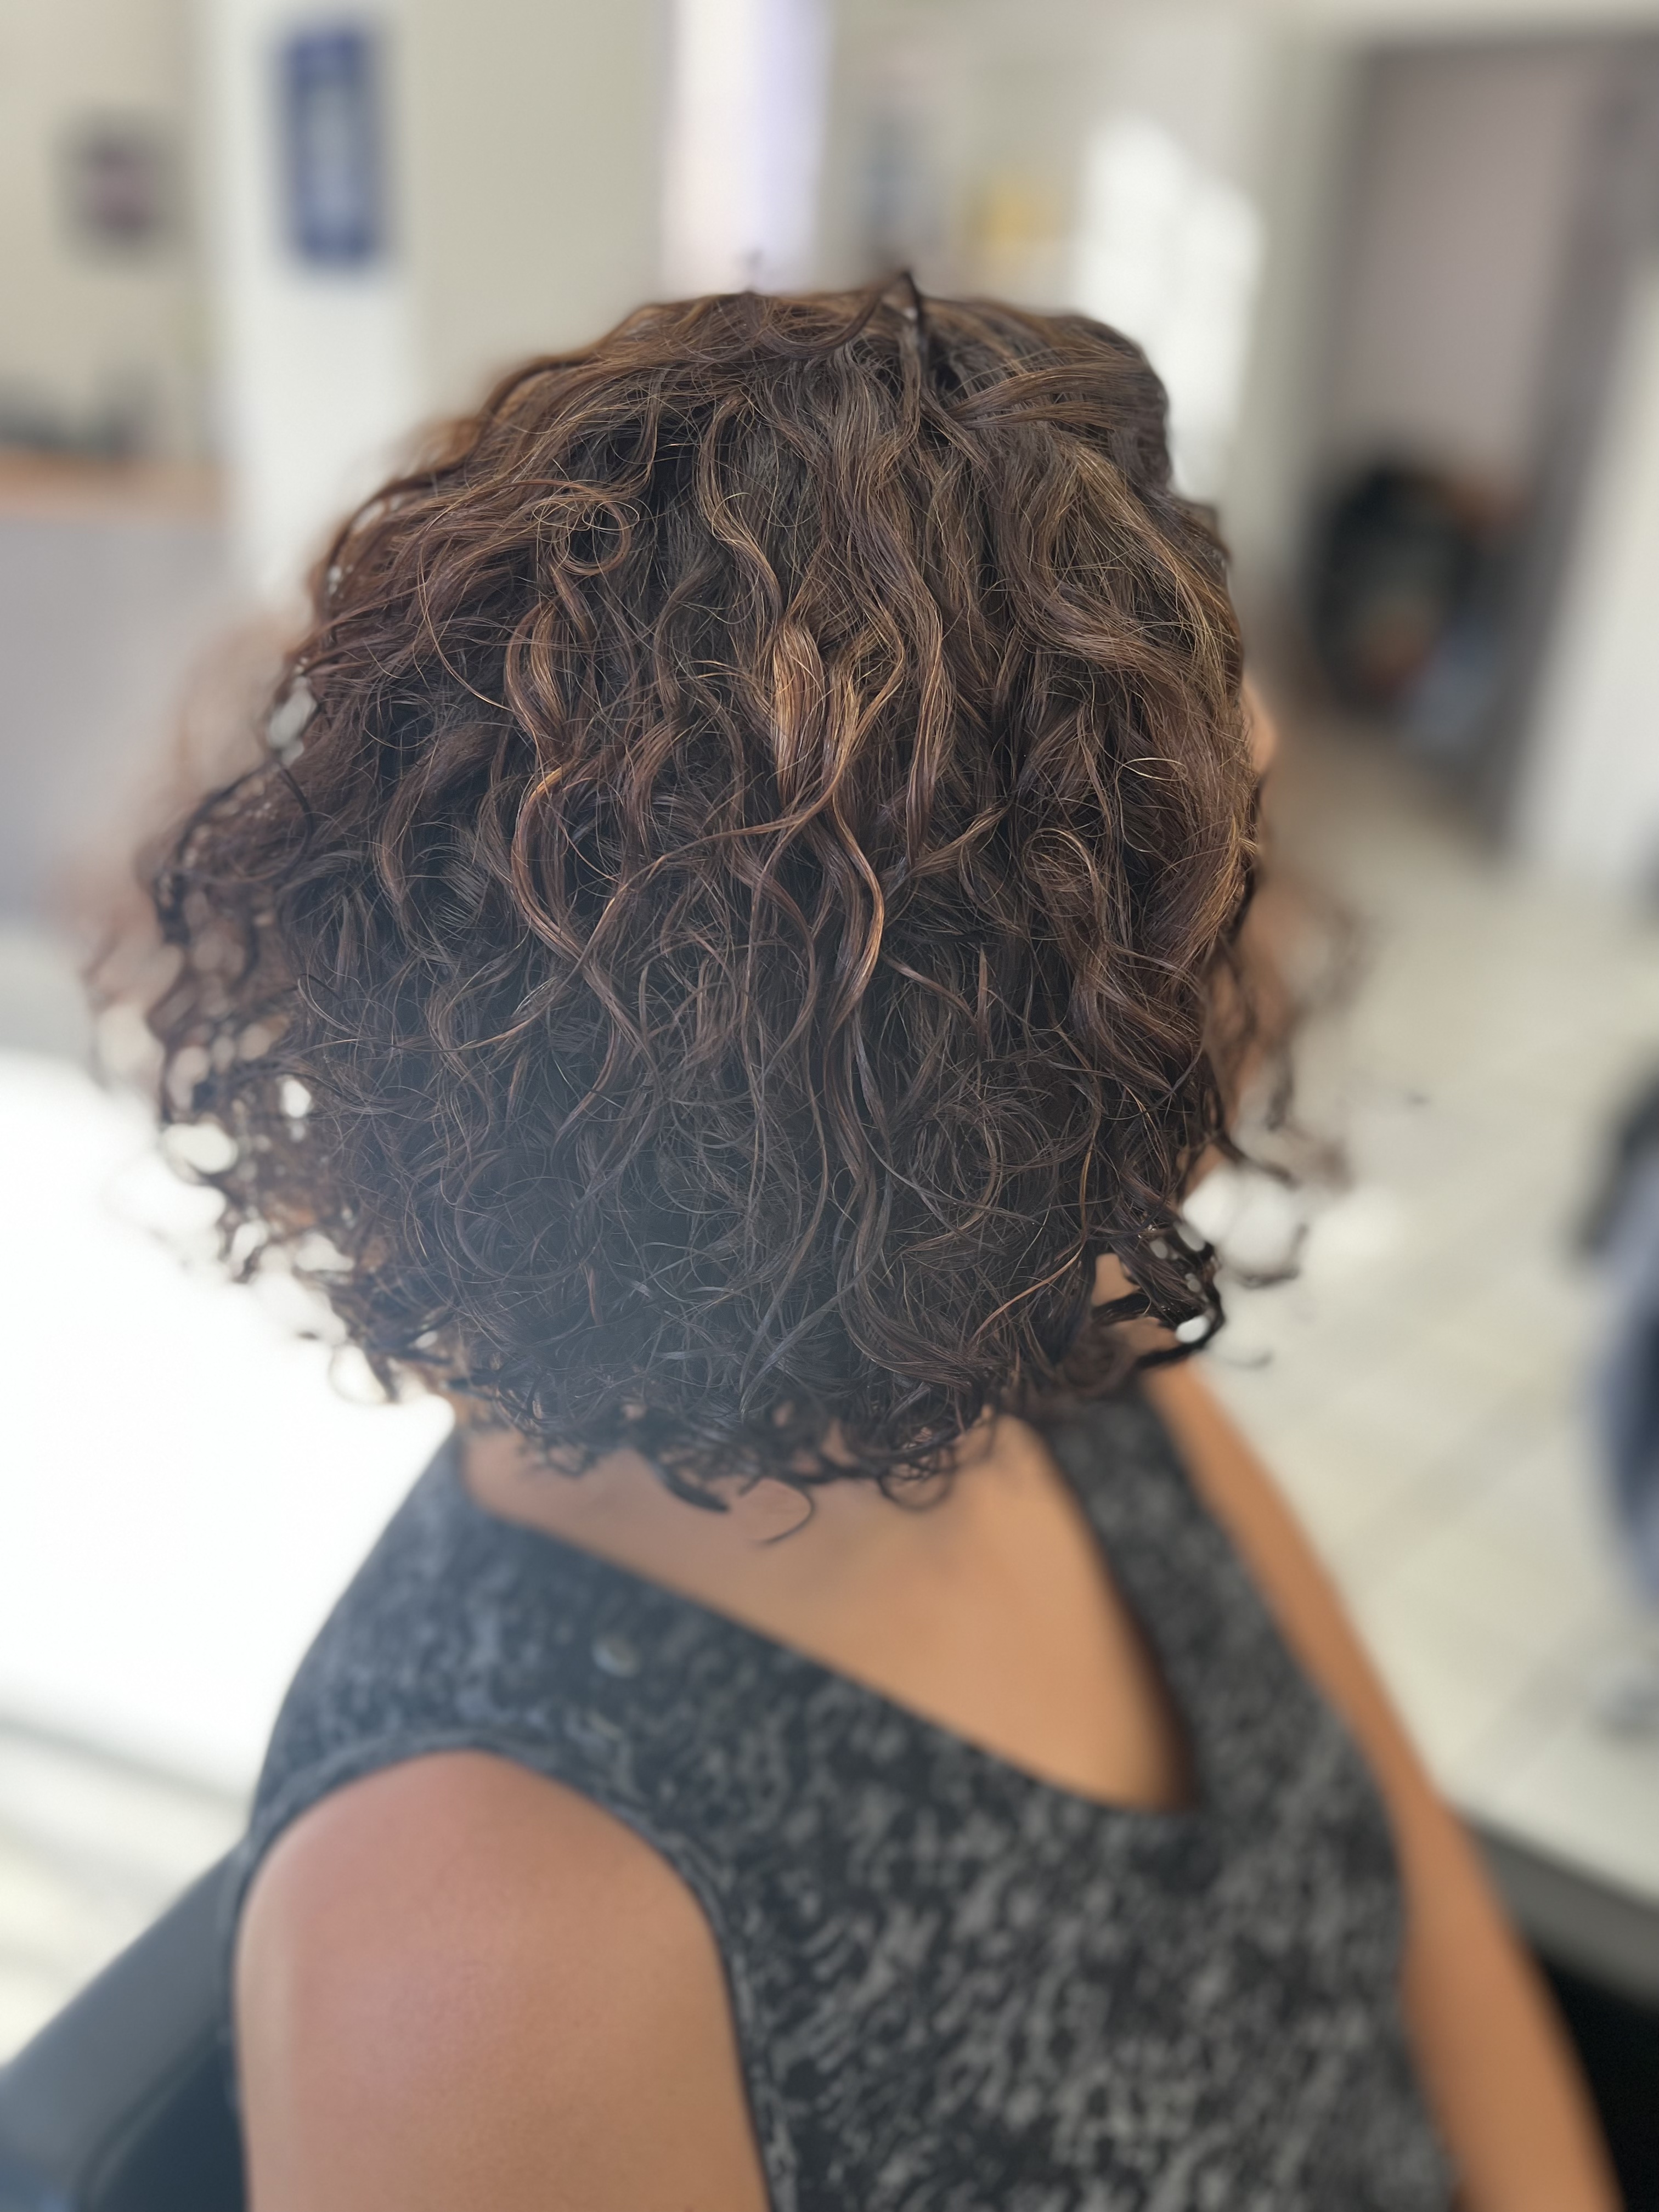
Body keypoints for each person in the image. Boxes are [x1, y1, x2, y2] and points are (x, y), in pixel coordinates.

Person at [143, 285, 1615, 2209]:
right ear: (942, 1038)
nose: (1262, 949)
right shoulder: (472, 1940)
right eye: (1193, 888)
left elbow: (1436, 1953)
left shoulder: (1062, 1338)